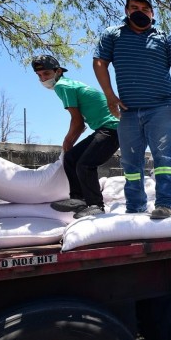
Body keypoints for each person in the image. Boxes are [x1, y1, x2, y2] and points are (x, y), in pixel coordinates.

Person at [93, 0, 171, 220]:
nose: (140, 12)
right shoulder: (113, 35)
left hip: (160, 107)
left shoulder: (164, 38)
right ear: (127, 10)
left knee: (164, 159)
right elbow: (100, 62)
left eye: (145, 9)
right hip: (128, 110)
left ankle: (166, 203)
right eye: (135, 8)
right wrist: (109, 95)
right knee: (130, 160)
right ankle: (135, 205)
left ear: (152, 13)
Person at [32, 55, 120, 219]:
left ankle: (96, 205)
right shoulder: (69, 84)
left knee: (85, 165)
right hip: (104, 128)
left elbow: (78, 121)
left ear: (58, 71)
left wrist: (68, 141)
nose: (43, 78)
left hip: (112, 129)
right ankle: (78, 199)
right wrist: (71, 143)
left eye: (46, 74)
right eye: (39, 75)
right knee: (71, 157)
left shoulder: (62, 86)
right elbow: (80, 124)